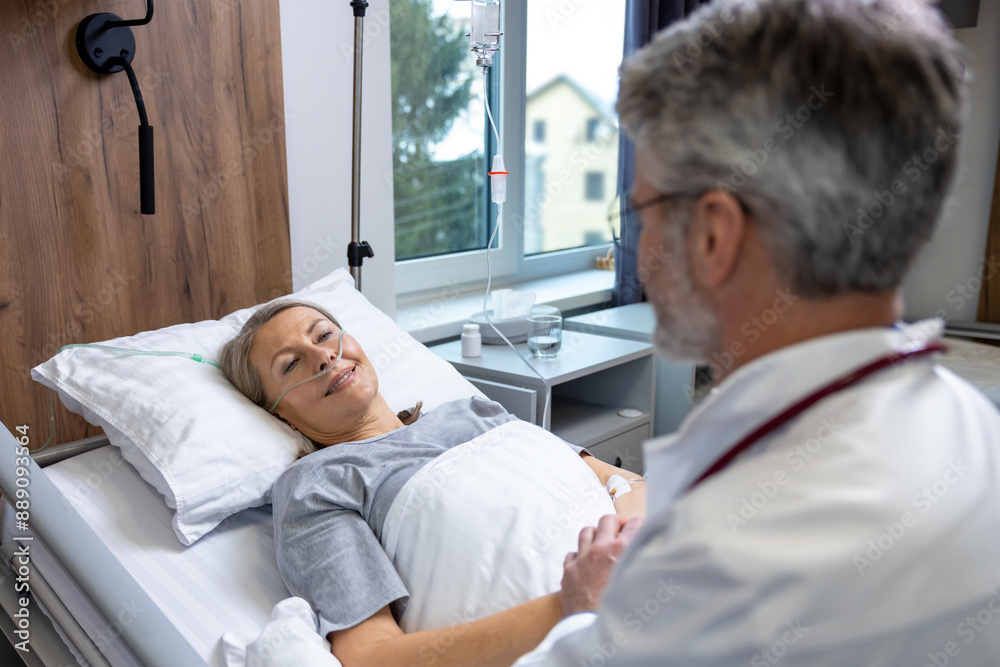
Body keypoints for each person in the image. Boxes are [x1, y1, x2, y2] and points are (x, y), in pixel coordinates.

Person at [514, 0, 1000, 664]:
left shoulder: (715, 570)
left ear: (714, 234)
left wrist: (590, 611)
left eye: (642, 213)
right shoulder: (978, 427)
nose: (641, 246)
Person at [219, 299, 646, 667]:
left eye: (325, 334)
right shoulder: (319, 484)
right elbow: (371, 655)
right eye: (291, 364)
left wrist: (632, 553)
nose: (324, 357)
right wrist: (571, 606)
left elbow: (622, 480)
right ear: (279, 415)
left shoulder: (472, 411)